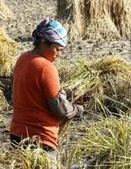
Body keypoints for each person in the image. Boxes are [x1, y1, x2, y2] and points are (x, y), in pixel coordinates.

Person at [9, 18, 84, 156]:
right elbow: (61, 110)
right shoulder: (46, 68)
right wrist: (77, 109)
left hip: (16, 135)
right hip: (39, 141)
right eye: (57, 49)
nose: (59, 54)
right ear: (44, 43)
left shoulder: (22, 59)